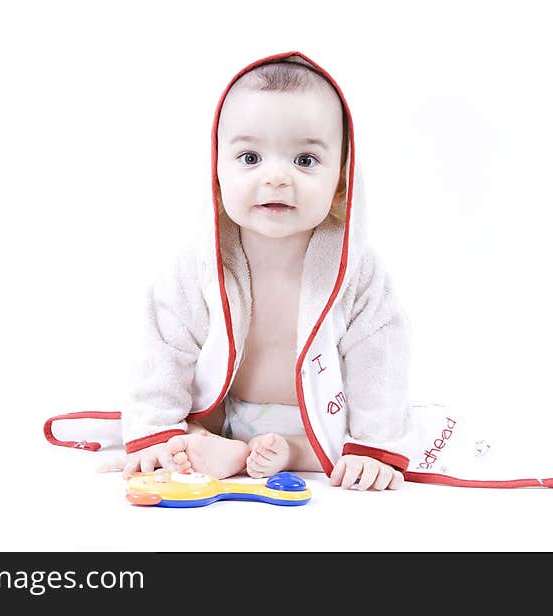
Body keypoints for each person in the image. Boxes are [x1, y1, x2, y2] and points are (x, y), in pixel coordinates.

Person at [113, 51, 412, 491]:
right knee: (184, 441)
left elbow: (380, 357)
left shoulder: (356, 272)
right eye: (250, 157)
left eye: (305, 160)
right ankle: (226, 448)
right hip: (223, 410)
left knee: (338, 451)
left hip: (317, 423)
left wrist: (373, 444)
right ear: (217, 171)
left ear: (341, 181)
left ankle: (289, 452)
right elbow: (164, 347)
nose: (275, 178)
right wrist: (156, 428)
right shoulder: (198, 266)